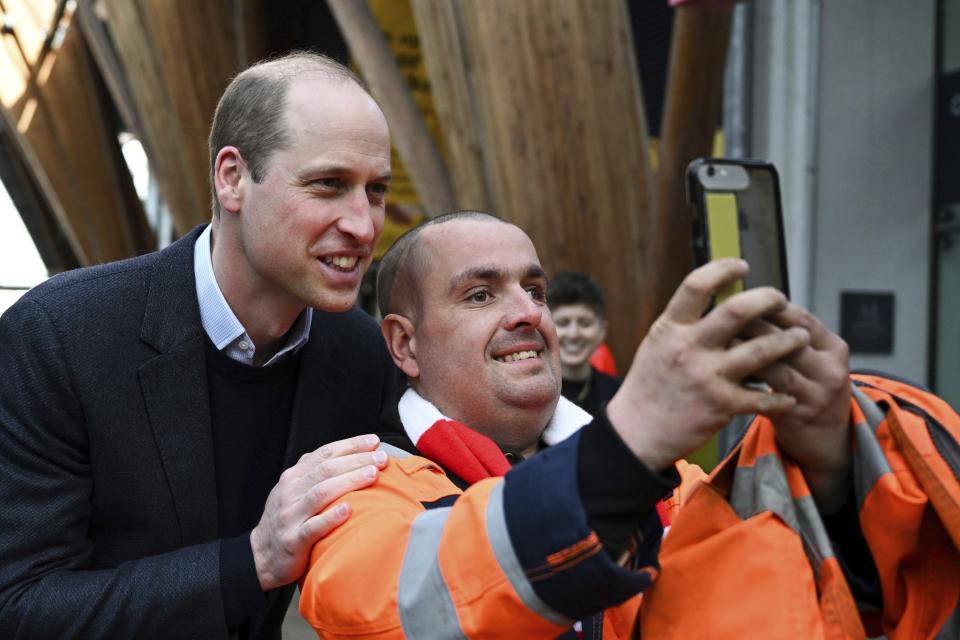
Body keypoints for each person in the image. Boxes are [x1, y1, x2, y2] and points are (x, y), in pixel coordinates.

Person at [299, 210, 911, 638]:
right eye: (481, 295)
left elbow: (814, 599)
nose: (529, 315)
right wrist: (625, 445)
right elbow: (406, 608)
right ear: (405, 346)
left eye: (534, 290)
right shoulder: (355, 489)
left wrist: (830, 459)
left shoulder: (667, 479)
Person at [0, 52, 401, 638]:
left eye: (376, 191)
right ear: (232, 178)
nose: (364, 226)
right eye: (328, 185)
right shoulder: (62, 335)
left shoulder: (362, 354)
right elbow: (19, 606)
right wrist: (252, 562)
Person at [547, 270, 621, 417]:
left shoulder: (619, 395)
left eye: (585, 323)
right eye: (563, 323)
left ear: (602, 331)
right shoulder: (532, 393)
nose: (573, 334)